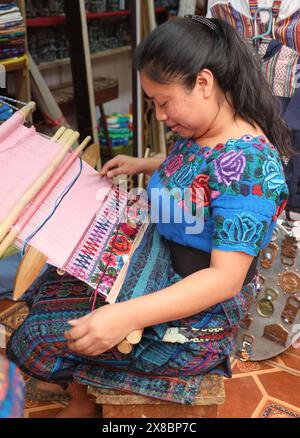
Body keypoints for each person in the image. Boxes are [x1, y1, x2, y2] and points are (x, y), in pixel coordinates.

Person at [6, 16, 290, 418]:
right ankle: (86, 391)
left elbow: (224, 279)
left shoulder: (249, 167)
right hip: (161, 261)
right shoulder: (204, 133)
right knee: (54, 285)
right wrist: (144, 164)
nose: (158, 115)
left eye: (163, 101)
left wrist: (124, 315)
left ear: (204, 83)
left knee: (44, 333)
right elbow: (197, 174)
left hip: (200, 320)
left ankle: (88, 393)